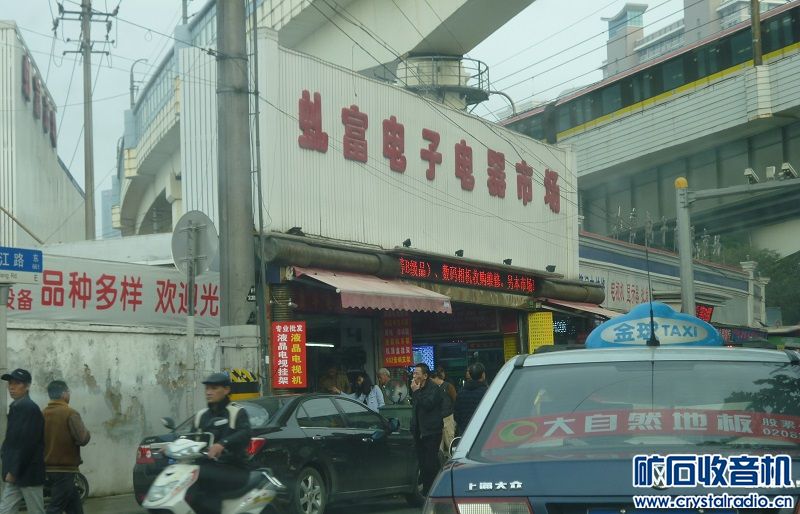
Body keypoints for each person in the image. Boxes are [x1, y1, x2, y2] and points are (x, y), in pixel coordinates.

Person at [187, 372, 252, 514]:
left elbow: (245, 433)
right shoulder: (201, 416)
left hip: (235, 468)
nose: (209, 392)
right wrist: (169, 446)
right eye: (207, 389)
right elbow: (189, 439)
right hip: (206, 466)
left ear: (227, 390)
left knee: (205, 479)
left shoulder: (237, 412)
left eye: (214, 388)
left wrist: (222, 444)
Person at [0, 368, 45, 514]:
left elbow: (27, 444)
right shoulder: (16, 407)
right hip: (16, 472)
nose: (11, 387)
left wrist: (13, 471)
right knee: (5, 510)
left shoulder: (29, 409)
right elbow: (12, 440)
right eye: (10, 383)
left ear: (27, 386)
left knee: (36, 511)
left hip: (28, 473)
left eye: (17, 383)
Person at [43, 380, 91, 514]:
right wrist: (87, 433)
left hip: (48, 469)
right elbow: (83, 439)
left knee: (74, 507)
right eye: (68, 392)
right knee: (55, 508)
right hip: (65, 469)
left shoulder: (42, 414)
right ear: (64, 393)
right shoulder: (70, 413)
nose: (69, 395)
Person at [409, 363, 443, 496]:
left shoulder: (433, 388)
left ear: (425, 376)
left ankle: (433, 492)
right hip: (419, 432)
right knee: (422, 465)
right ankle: (426, 492)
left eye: (417, 373)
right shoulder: (416, 389)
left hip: (432, 432)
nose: (414, 375)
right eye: (414, 373)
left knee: (430, 464)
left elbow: (428, 405)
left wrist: (416, 392)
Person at [453, 362, 488, 437]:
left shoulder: (461, 392)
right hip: (483, 431)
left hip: (465, 431)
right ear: (483, 375)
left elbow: (456, 415)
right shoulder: (488, 392)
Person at [430, 371, 455, 462]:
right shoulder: (433, 389)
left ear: (436, 378)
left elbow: (454, 399)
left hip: (448, 417)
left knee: (449, 440)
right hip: (437, 419)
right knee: (438, 443)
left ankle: (453, 461)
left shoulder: (448, 386)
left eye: (431, 379)